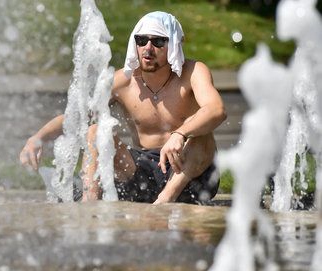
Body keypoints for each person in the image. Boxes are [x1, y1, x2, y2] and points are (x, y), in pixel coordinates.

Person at [19, 11, 227, 204]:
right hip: (142, 173)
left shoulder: (193, 72)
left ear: (173, 44)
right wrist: (37, 138)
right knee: (96, 131)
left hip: (191, 176)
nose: (148, 48)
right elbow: (77, 117)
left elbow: (217, 110)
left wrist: (180, 133)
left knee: (199, 127)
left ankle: (165, 200)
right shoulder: (122, 82)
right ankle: (88, 203)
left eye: (158, 41)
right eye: (142, 40)